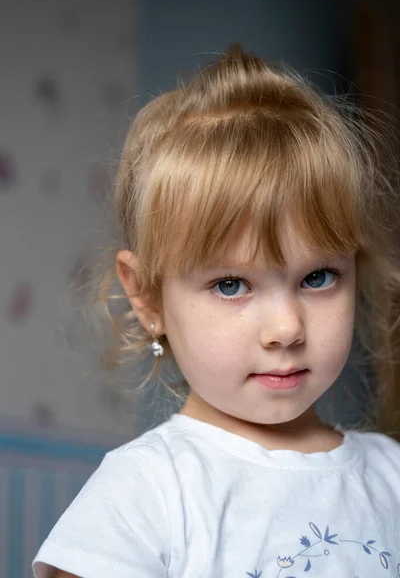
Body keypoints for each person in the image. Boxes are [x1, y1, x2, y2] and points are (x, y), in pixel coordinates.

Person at [33, 45, 400, 578]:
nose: (286, 328)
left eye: (318, 278)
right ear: (148, 297)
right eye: (231, 284)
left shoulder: (390, 476)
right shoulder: (145, 493)